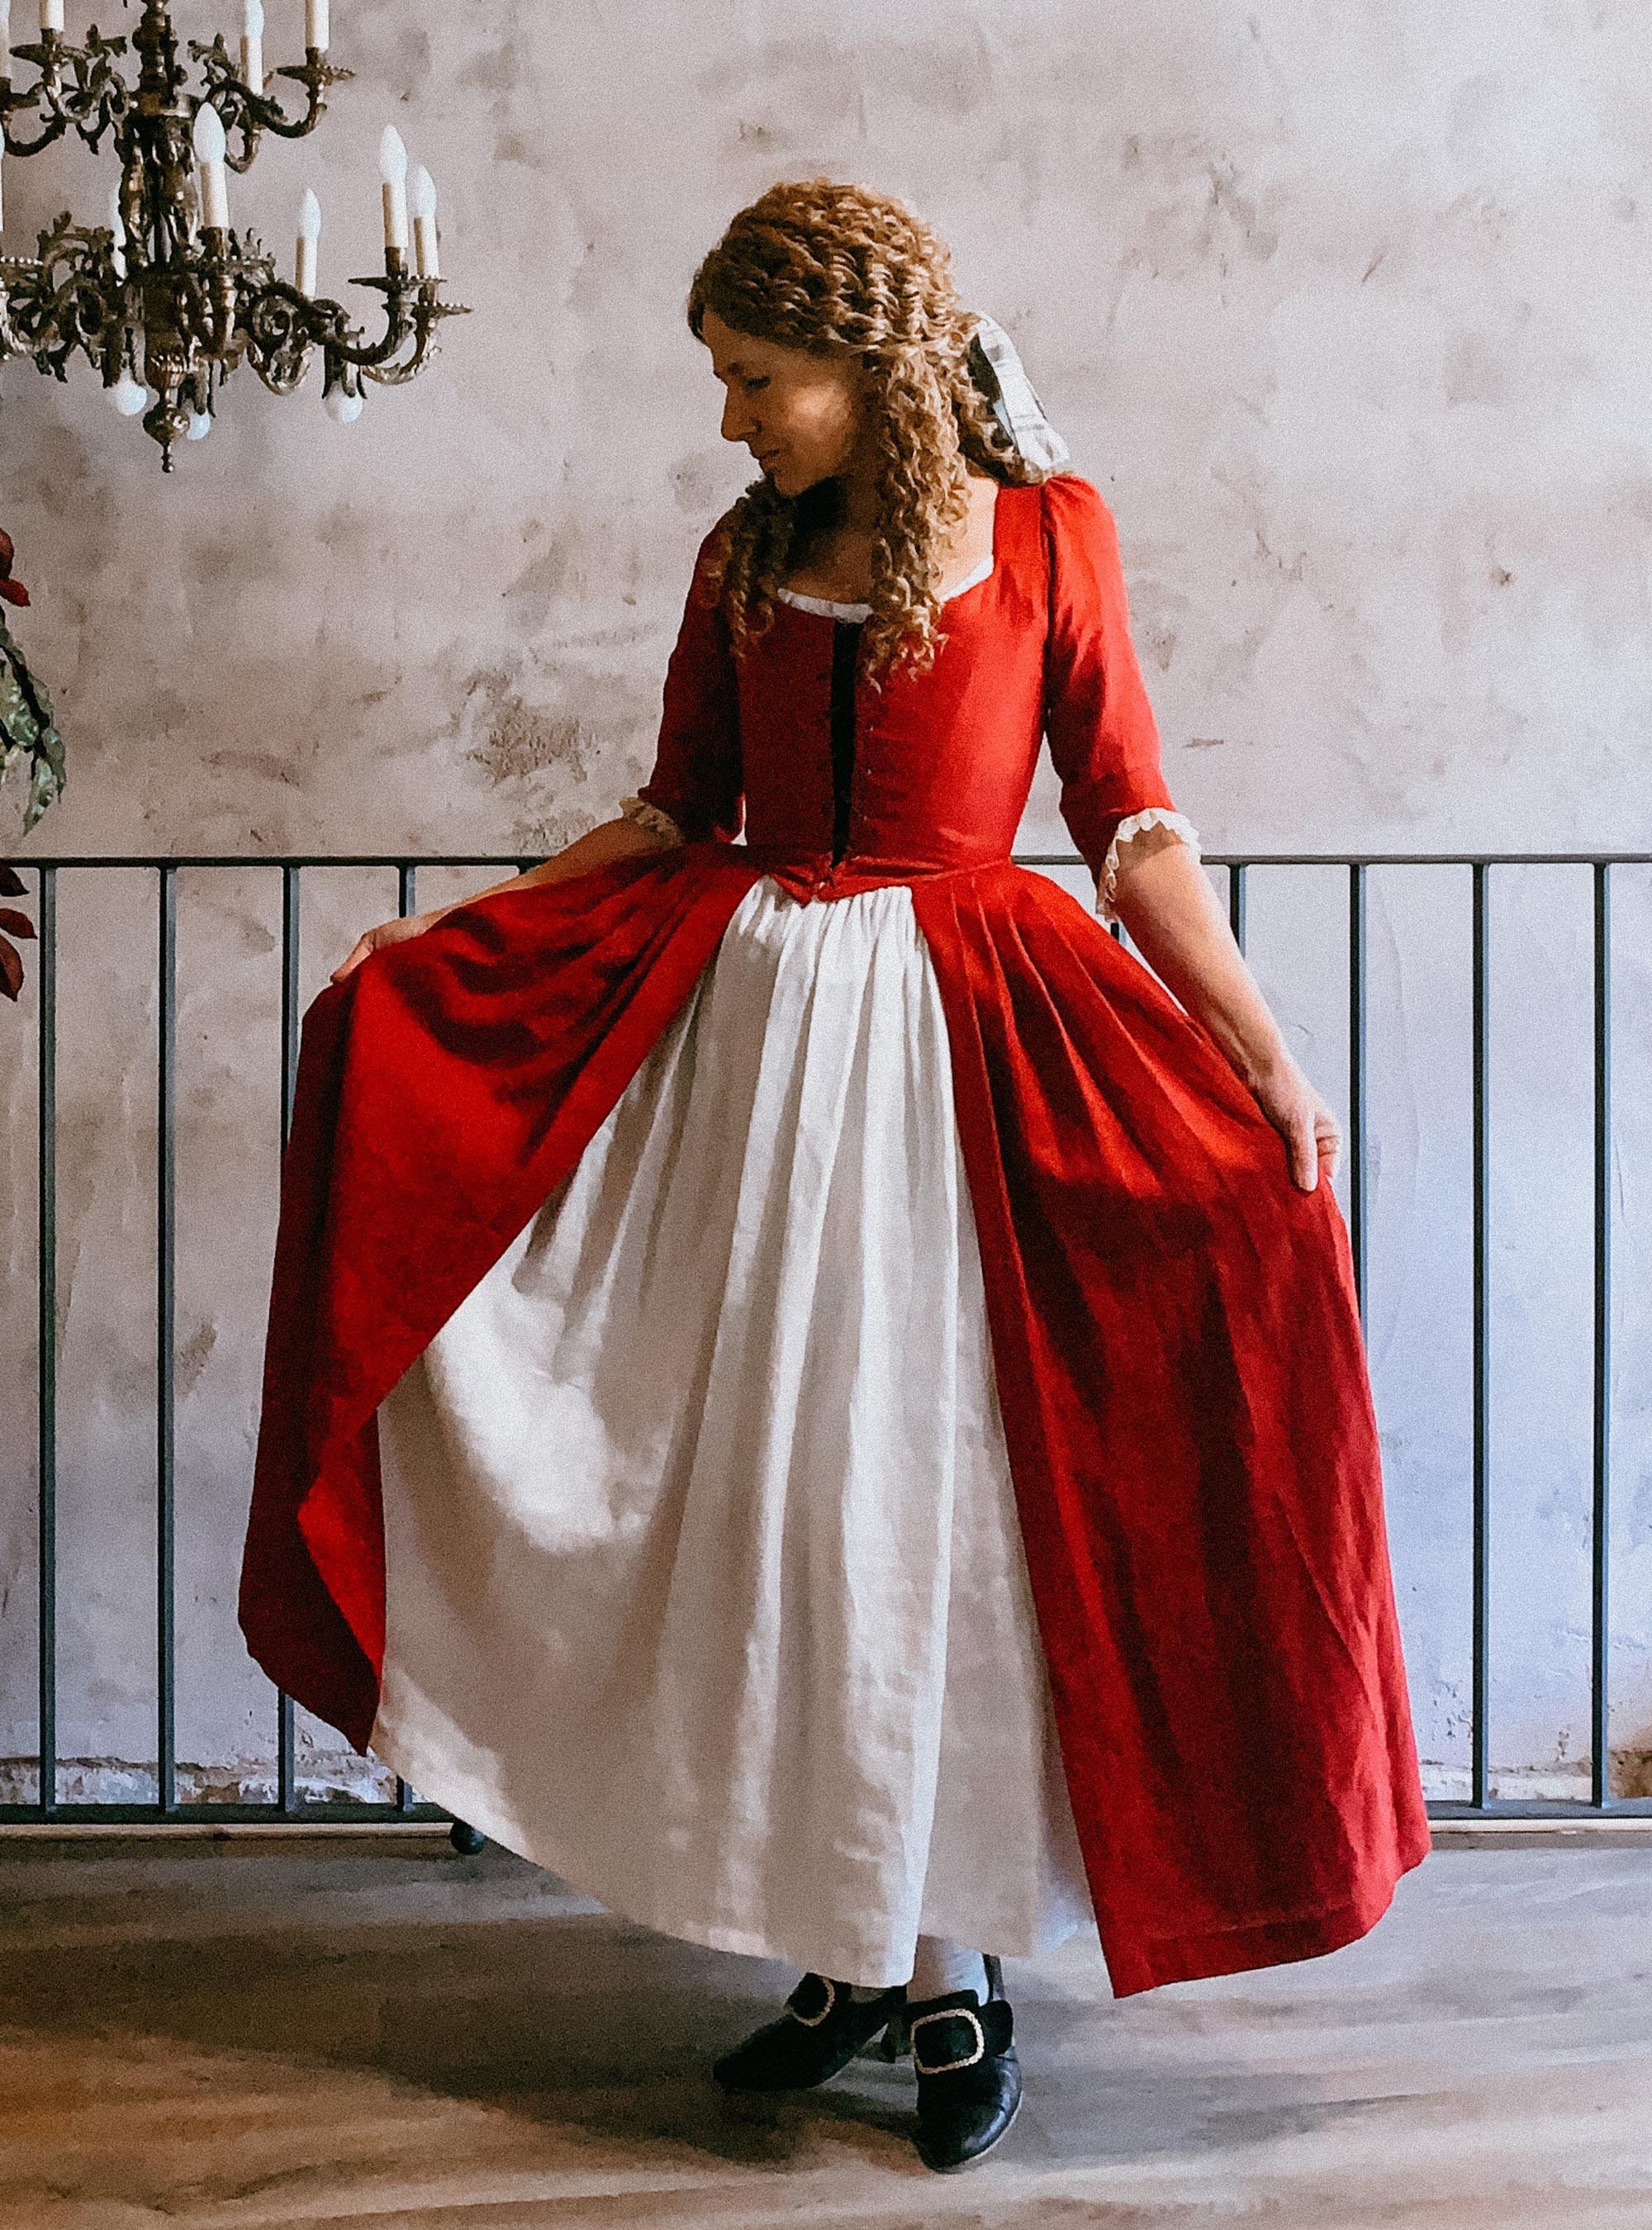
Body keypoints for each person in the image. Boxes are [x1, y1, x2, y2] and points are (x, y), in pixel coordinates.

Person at [240, 178, 1431, 2175]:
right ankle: (845, 1941)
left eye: (755, 378)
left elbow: (1131, 828)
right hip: (748, 1055)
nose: (729, 417)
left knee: (947, 1506)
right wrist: (456, 934)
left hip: (970, 1053)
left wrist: (1258, 1045)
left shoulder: (1054, 534)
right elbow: (673, 811)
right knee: (785, 1506)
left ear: (866, 362)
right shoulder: (740, 554)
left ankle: (950, 1967)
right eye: (724, 378)